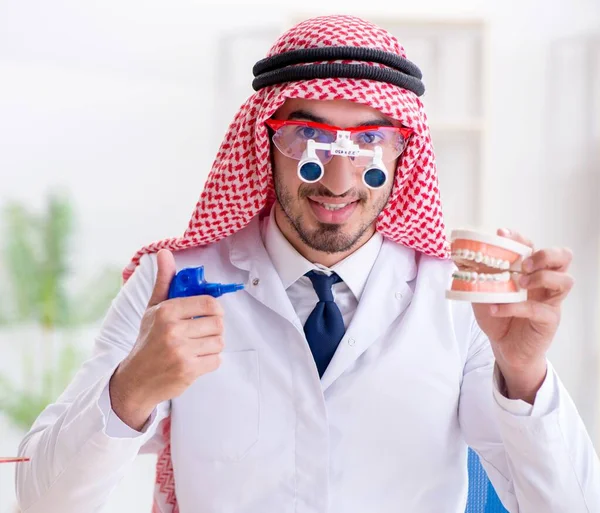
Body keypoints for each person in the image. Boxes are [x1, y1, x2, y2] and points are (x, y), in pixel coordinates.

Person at [15, 14, 600, 513]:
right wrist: (131, 391)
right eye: (305, 139)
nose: (339, 181)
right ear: (263, 141)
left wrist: (526, 374)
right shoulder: (171, 281)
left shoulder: (455, 298)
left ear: (404, 152)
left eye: (368, 143)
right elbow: (43, 498)